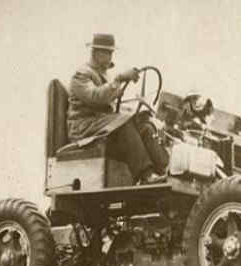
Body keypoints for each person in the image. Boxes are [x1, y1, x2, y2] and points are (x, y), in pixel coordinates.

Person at [67, 33, 168, 184]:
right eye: (107, 52)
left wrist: (136, 113)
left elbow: (111, 105)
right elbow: (95, 97)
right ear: (95, 52)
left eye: (111, 52)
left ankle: (165, 170)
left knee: (145, 127)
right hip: (83, 127)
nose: (110, 56)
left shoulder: (104, 75)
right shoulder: (81, 76)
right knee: (123, 123)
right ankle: (146, 175)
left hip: (100, 125)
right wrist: (119, 79)